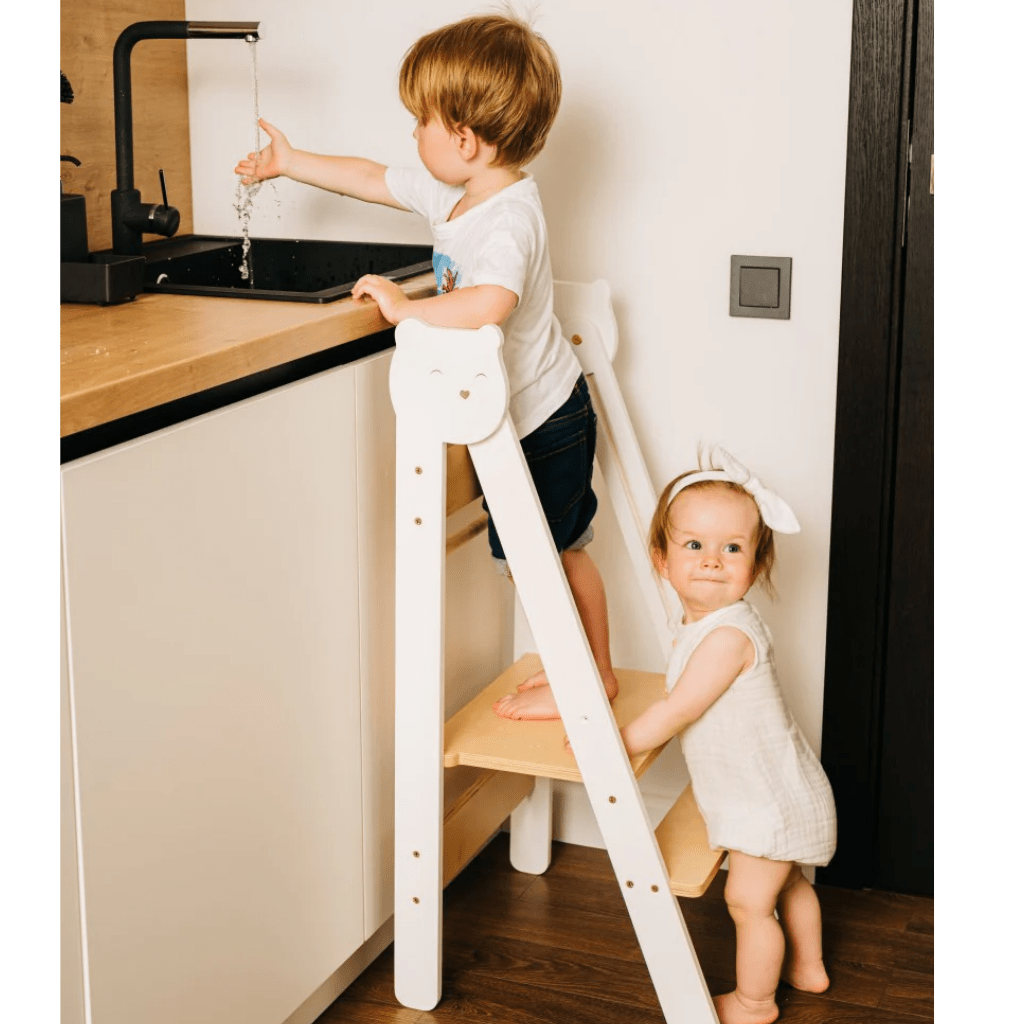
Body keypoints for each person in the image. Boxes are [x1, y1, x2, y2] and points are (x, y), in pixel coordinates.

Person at [235, 12, 614, 721]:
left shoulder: (508, 220)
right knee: (545, 558)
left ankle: (588, 679)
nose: (412, 134)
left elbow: (491, 301)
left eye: (421, 121)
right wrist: (291, 161)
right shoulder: (463, 194)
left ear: (465, 140)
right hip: (529, 413)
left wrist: (407, 311)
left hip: (546, 421)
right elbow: (370, 179)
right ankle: (584, 673)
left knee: (555, 557)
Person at [615, 446, 837, 1024]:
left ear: (755, 564)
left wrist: (618, 741)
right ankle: (808, 967)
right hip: (778, 789)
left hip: (767, 802)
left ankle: (754, 1003)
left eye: (731, 548)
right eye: (694, 546)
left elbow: (678, 709)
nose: (712, 561)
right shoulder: (703, 626)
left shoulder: (727, 637)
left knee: (748, 902)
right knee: (789, 886)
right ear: (661, 560)